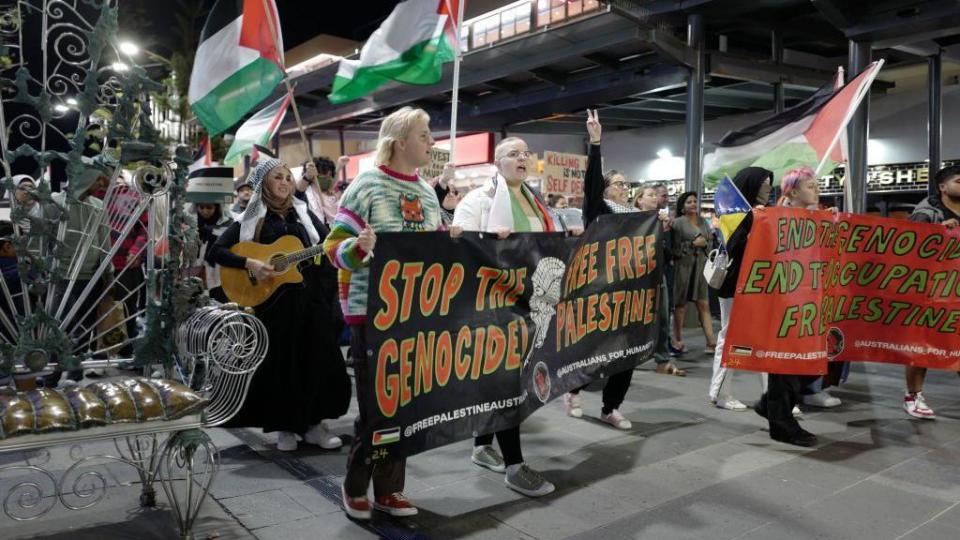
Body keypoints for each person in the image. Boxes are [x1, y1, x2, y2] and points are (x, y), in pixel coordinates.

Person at [324, 106, 443, 520]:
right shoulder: (365, 187)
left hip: (417, 314)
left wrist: (455, 241)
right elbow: (332, 252)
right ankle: (355, 484)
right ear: (399, 142)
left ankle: (390, 489)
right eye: (425, 134)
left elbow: (437, 248)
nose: (432, 142)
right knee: (377, 408)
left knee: (406, 407)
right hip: (370, 315)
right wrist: (357, 247)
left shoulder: (428, 192)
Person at [208, 157, 351, 453]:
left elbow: (328, 245)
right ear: (263, 184)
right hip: (273, 307)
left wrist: (351, 242)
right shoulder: (251, 219)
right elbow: (216, 251)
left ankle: (314, 426)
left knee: (316, 363)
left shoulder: (304, 215)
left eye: (288, 177)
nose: (285, 182)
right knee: (281, 367)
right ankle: (285, 427)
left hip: (311, 305)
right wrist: (250, 263)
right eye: (277, 177)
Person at [450, 135, 563, 499]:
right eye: (513, 153)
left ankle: (482, 445)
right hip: (491, 306)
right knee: (504, 383)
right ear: (496, 163)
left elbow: (545, 245)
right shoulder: (477, 200)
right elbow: (461, 247)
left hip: (528, 304)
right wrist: (486, 239)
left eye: (526, 153)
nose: (522, 158)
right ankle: (515, 466)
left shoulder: (535, 202)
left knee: (506, 381)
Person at [708, 168, 774, 412]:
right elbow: (732, 247)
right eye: (764, 184)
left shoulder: (757, 213)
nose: (768, 189)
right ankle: (720, 392)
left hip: (756, 285)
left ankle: (772, 396)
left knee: (764, 340)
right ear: (752, 186)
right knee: (730, 336)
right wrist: (754, 224)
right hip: (735, 284)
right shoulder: (736, 214)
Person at [778, 166, 843, 409]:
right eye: (810, 186)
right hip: (788, 290)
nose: (817, 190)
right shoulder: (776, 216)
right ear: (793, 192)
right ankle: (789, 394)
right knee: (789, 343)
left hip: (816, 288)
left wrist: (833, 221)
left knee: (816, 341)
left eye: (817, 186)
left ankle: (812, 389)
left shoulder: (821, 215)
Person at [902, 164, 960, 419]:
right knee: (922, 344)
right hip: (932, 290)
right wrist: (937, 233)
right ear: (943, 186)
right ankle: (913, 396)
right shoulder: (926, 212)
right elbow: (910, 246)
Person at [671, 191, 716, 354]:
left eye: (694, 201)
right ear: (682, 206)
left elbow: (710, 243)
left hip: (701, 267)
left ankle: (711, 342)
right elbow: (674, 249)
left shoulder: (704, 222)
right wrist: (691, 244)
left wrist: (704, 245)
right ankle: (678, 340)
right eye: (688, 202)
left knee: (703, 303)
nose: (692, 204)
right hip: (683, 267)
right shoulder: (677, 223)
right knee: (680, 305)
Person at [195, 202, 233, 302]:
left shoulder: (227, 224)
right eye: (201, 207)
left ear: (216, 208)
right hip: (198, 271)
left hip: (219, 273)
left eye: (209, 207)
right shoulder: (193, 224)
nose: (205, 211)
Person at [296, 156, 346, 225]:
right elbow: (298, 190)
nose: (328, 179)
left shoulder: (330, 193)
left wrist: (339, 166)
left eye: (330, 176)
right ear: (314, 175)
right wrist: (307, 175)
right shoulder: (308, 194)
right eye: (325, 176)